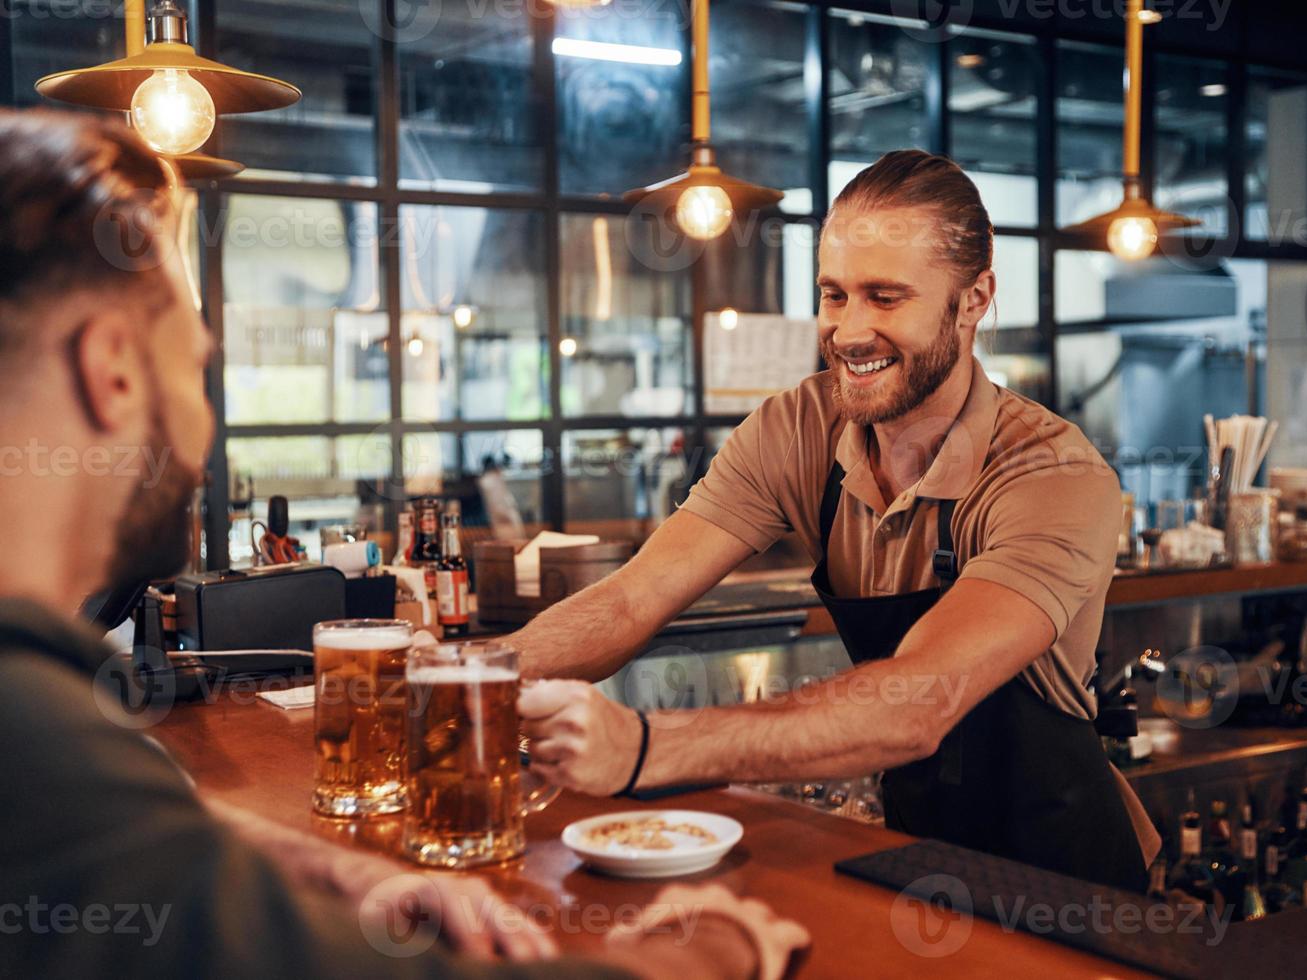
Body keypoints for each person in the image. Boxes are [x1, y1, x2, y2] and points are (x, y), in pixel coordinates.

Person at [0, 108, 807, 980]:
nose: (202, 425)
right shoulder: (29, 727)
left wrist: (334, 870)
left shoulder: (45, 729)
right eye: (192, 369)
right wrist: (714, 950)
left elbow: (140, 837)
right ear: (112, 370)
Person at [513, 150, 1161, 893]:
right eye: (834, 295)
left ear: (974, 298)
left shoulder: (1052, 474)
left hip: (1067, 885)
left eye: (885, 298)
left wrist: (640, 746)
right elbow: (633, 599)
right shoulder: (798, 427)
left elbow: (917, 700)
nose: (849, 331)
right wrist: (467, 680)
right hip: (916, 857)